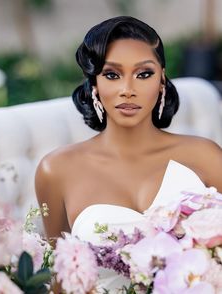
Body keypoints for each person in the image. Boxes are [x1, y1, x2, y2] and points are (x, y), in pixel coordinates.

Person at [35, 16, 222, 292]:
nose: (127, 90)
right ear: (94, 84)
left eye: (143, 74)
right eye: (112, 74)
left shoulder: (204, 156)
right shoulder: (56, 171)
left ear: (161, 81)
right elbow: (61, 280)